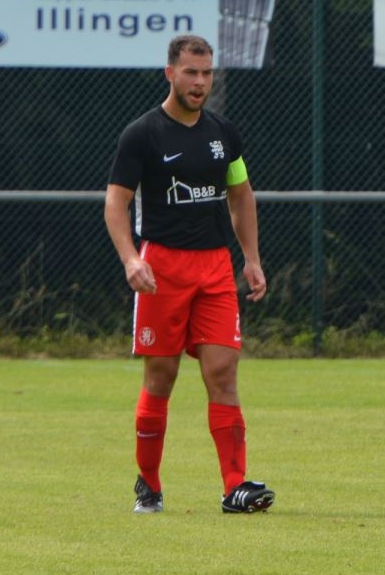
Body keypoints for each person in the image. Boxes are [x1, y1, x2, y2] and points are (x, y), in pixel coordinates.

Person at [103, 34, 274, 515]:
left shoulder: (224, 133)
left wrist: (251, 258)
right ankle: (149, 484)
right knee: (161, 377)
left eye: (207, 73)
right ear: (170, 73)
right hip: (162, 267)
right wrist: (131, 259)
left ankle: (234, 487)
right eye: (191, 72)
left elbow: (240, 194)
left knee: (223, 372)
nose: (200, 82)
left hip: (215, 267)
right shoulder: (142, 134)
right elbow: (116, 203)